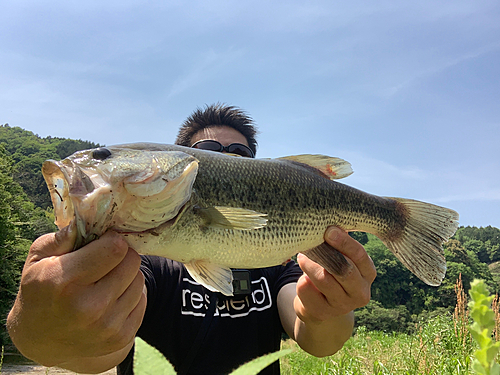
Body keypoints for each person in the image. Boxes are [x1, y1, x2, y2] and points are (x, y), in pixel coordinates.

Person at [7, 104, 376, 374]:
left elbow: (317, 338)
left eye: (241, 155)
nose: (226, 158)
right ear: (178, 163)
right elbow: (100, 351)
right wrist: (40, 334)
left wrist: (329, 309)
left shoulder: (276, 263)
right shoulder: (142, 261)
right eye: (208, 153)